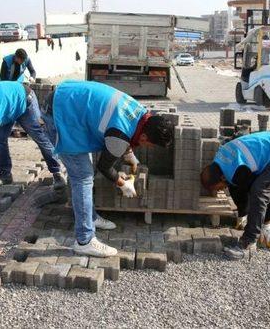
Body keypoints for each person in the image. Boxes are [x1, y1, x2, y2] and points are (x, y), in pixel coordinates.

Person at [41, 80, 174, 257]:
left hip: (68, 100)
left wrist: (130, 156)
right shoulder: (120, 136)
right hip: (60, 114)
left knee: (81, 170)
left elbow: (124, 129)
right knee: (83, 176)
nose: (148, 148)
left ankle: (90, 218)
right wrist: (122, 184)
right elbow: (104, 166)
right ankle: (85, 240)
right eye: (150, 144)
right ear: (143, 136)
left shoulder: (140, 113)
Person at [200, 131, 270, 260]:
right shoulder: (221, 161)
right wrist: (243, 213)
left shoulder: (238, 170)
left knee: (260, 190)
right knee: (240, 185)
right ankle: (247, 216)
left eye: (218, 188)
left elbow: (263, 191)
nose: (221, 189)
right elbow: (236, 187)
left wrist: (267, 223)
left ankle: (249, 243)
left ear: (221, 177)